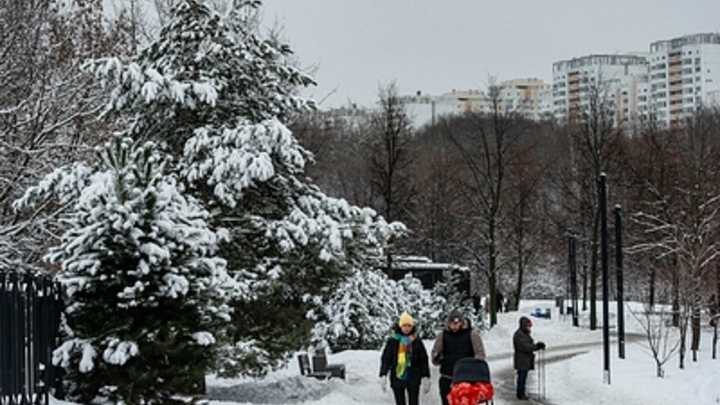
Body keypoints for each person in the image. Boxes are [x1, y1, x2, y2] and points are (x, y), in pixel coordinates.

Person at [431, 309, 486, 405]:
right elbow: (435, 352)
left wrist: (473, 366)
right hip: (447, 376)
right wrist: (437, 358)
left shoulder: (472, 334)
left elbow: (480, 353)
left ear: (461, 322)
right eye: (452, 323)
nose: (454, 326)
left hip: (466, 378)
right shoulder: (442, 335)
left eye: (456, 323)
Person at [379, 311, 431, 405]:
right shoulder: (393, 341)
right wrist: (383, 374)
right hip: (397, 375)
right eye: (404, 325)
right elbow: (386, 358)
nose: (407, 328)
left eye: (409, 325)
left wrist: (425, 376)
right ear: (400, 326)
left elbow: (423, 359)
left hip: (414, 375)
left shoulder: (417, 341)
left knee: (414, 402)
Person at [513, 316, 545, 401]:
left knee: (523, 376)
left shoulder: (524, 334)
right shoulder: (519, 335)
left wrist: (536, 346)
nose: (529, 328)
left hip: (525, 359)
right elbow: (525, 347)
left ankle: (521, 392)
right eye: (528, 326)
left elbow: (528, 345)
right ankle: (520, 393)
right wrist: (536, 347)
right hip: (522, 359)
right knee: (522, 377)